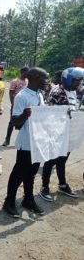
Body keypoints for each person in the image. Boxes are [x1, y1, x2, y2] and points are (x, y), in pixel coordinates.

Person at [3, 67, 48, 218]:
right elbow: (16, 123)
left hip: (37, 142)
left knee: (32, 173)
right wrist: (25, 114)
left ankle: (28, 199)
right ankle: (9, 202)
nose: (46, 82)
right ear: (34, 78)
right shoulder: (22, 96)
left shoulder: (39, 95)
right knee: (19, 173)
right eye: (44, 79)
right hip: (26, 143)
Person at [39, 67, 84, 202]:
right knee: (51, 160)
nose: (79, 83)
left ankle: (62, 185)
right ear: (68, 79)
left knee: (62, 161)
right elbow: (53, 114)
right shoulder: (58, 92)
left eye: (80, 80)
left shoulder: (74, 92)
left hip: (69, 134)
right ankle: (44, 187)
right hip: (56, 133)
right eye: (76, 80)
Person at [2, 67, 29, 146]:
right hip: (16, 105)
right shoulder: (15, 81)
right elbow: (11, 93)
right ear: (22, 72)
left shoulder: (28, 82)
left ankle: (21, 140)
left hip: (25, 105)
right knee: (12, 122)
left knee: (24, 123)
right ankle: (7, 140)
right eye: (27, 72)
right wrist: (13, 103)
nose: (28, 74)